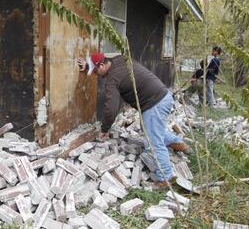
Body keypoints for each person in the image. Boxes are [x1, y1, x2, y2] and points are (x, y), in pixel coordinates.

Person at [78, 53, 190, 189]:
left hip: (154, 103)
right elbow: (107, 55)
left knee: (153, 142)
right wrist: (89, 65)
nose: (96, 75)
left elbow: (111, 109)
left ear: (102, 65)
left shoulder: (112, 80)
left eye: (96, 71)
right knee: (150, 131)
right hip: (162, 95)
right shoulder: (120, 59)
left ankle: (165, 179)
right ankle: (179, 144)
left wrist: (104, 129)